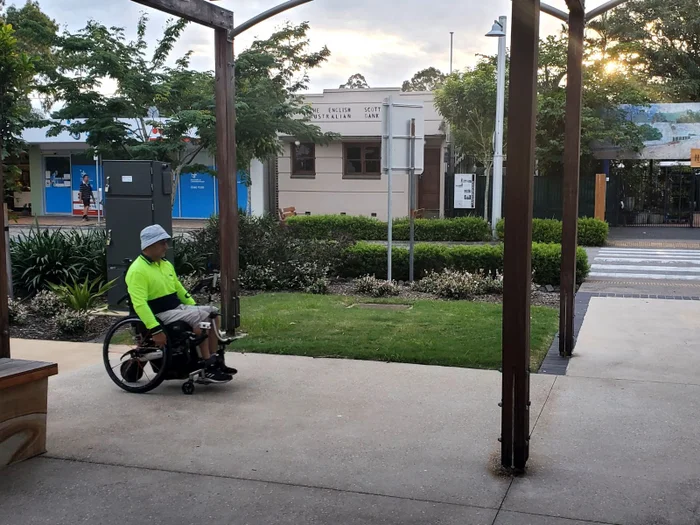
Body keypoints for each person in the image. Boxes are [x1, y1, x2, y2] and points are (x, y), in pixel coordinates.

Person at [125, 224, 236, 383]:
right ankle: (207, 364)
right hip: (159, 313)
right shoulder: (137, 270)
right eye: (162, 243)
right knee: (202, 318)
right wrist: (155, 329)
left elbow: (178, 288)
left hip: (175, 307)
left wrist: (193, 306)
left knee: (213, 312)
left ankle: (213, 359)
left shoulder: (165, 264)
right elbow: (140, 304)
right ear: (150, 245)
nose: (166, 246)